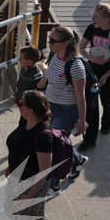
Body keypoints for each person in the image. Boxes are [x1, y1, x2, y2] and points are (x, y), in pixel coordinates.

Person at [3, 90, 58, 220]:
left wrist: (30, 195)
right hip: (18, 178)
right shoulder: (24, 121)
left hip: (32, 185)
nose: (18, 105)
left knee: (22, 219)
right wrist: (11, 167)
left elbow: (44, 170)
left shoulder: (43, 136)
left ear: (30, 110)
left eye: (21, 103)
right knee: (20, 212)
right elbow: (19, 146)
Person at [37, 26, 88, 184]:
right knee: (53, 141)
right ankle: (77, 160)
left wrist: (81, 121)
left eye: (52, 40)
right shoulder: (53, 55)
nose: (49, 43)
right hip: (50, 106)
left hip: (67, 110)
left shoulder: (76, 66)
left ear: (65, 44)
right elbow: (48, 78)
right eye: (49, 39)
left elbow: (81, 96)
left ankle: (54, 184)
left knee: (55, 145)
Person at [79, 3, 110, 142]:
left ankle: (106, 125)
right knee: (91, 102)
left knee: (107, 101)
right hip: (92, 69)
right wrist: (91, 58)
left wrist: (106, 75)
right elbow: (81, 48)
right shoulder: (91, 29)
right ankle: (90, 134)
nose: (93, 19)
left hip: (108, 71)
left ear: (106, 19)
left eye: (96, 17)